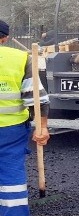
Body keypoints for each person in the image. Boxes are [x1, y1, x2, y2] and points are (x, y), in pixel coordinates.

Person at [0, 20, 50, 216]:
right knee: (11, 175)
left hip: (11, 130)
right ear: (5, 38)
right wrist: (42, 127)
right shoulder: (20, 58)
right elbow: (37, 100)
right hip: (10, 131)